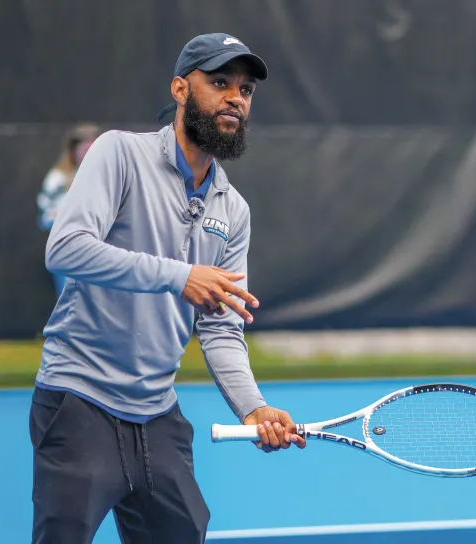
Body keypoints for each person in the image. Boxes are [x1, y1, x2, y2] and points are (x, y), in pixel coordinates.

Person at [30, 33, 306, 543]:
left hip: (158, 416)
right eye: (219, 82)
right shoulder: (119, 154)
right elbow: (65, 248)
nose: (235, 98)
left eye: (245, 90)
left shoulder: (233, 209)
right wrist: (178, 276)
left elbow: (221, 327)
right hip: (79, 402)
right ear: (180, 89)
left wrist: (254, 408)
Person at [36, 123, 100, 295]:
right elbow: (46, 216)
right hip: (67, 246)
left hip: (99, 249)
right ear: (73, 150)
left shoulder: (104, 176)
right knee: (70, 299)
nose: (88, 154)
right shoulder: (58, 178)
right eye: (84, 149)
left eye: (92, 148)